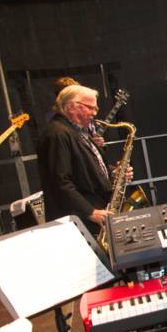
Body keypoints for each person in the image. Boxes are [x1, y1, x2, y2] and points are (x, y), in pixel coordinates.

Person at [37, 85, 113, 234]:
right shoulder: (57, 133)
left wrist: (113, 173)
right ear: (71, 107)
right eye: (90, 108)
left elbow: (84, 170)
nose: (94, 113)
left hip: (90, 215)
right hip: (80, 220)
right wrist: (90, 212)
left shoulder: (76, 131)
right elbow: (60, 182)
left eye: (95, 109)